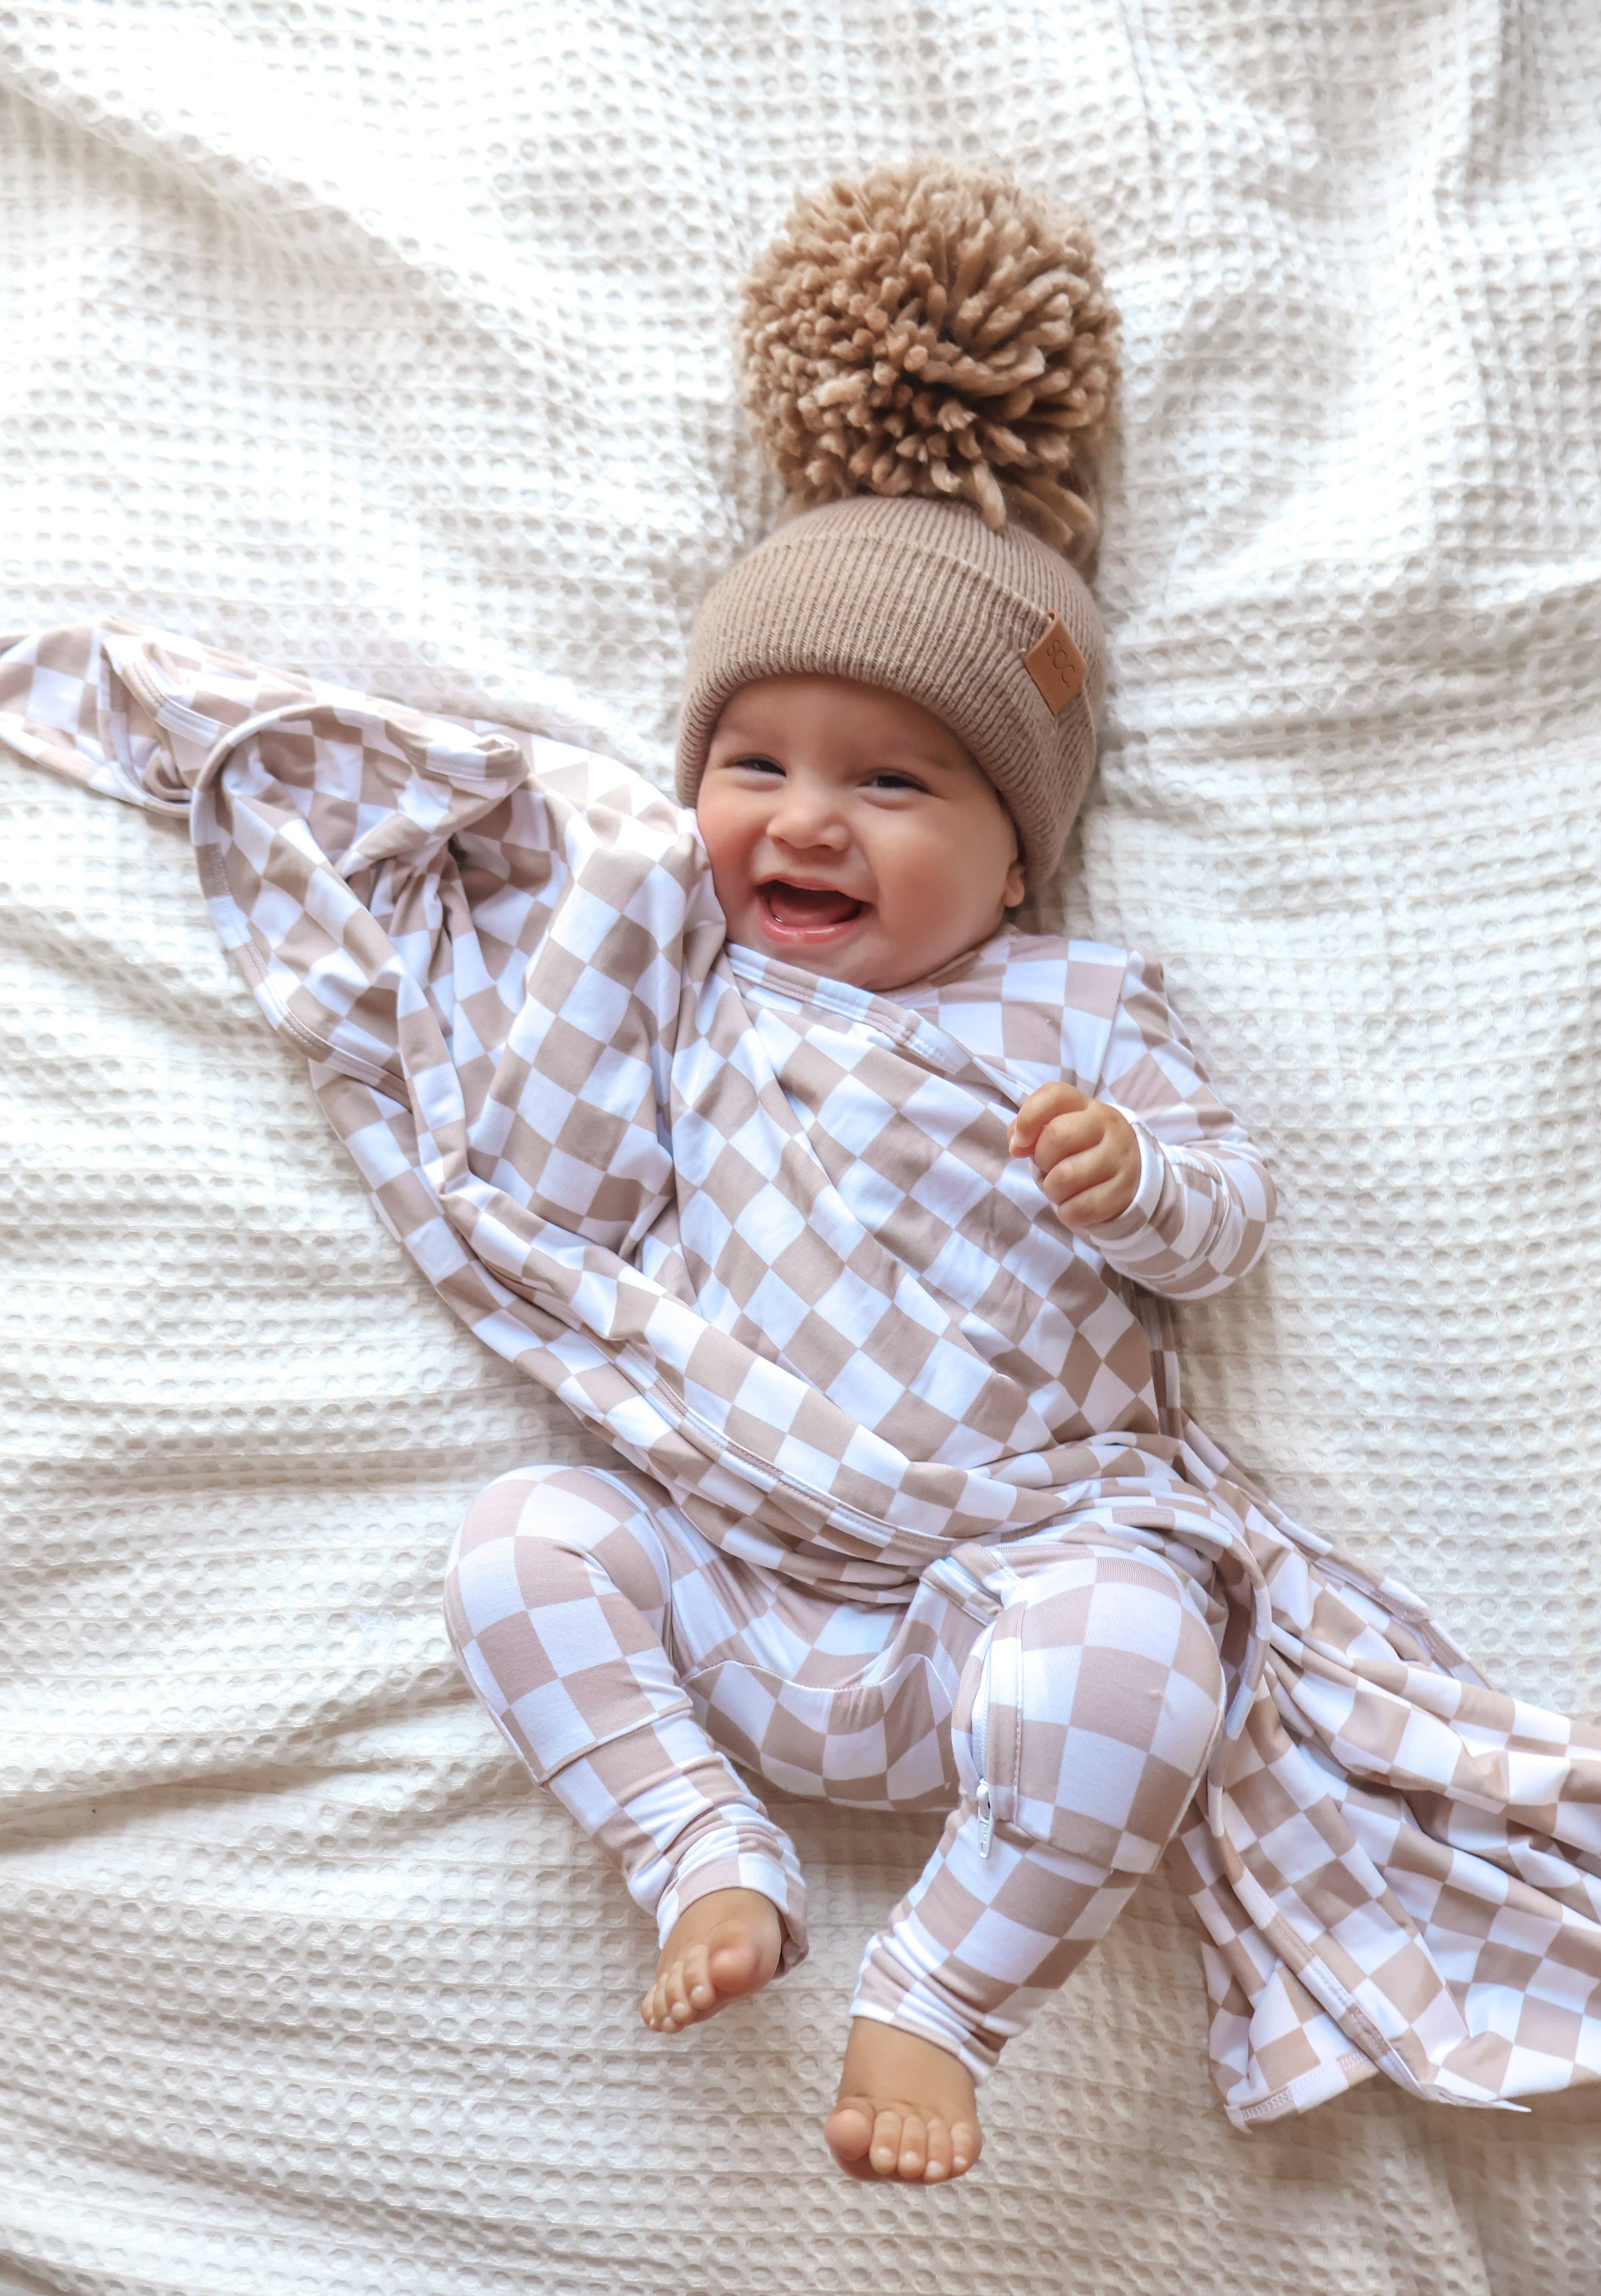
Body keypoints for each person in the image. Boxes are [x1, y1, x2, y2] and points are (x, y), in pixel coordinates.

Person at [6, 159, 1599, 2190]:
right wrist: (564, 957)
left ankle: (940, 1991)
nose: (806, 822)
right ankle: (698, 1846)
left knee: (1151, 1663)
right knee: (518, 1542)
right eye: (752, 766)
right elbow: (573, 1176)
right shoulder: (685, 982)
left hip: (1013, 1581)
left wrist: (1127, 1179)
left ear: (1014, 860)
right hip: (740, 1563)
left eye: (892, 780)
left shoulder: (1078, 1004)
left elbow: (1222, 1225)